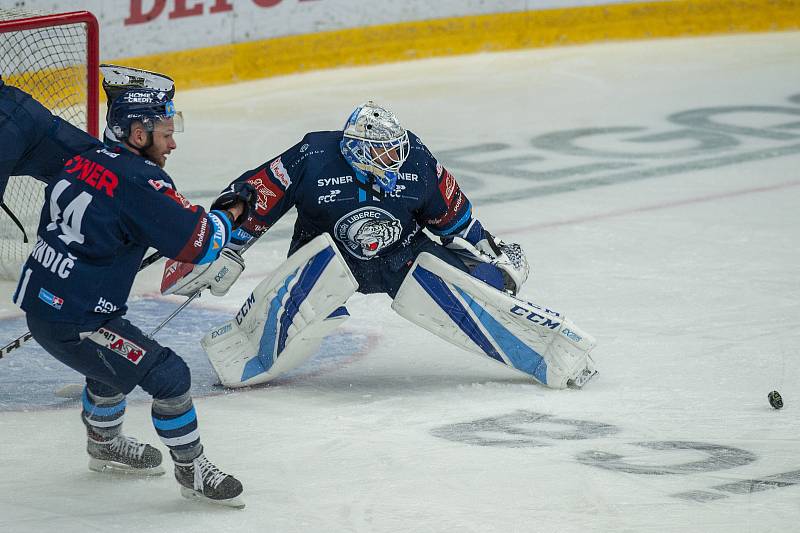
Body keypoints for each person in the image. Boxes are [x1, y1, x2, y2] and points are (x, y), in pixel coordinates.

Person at [192, 102, 594, 390]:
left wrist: (490, 257)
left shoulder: (416, 160)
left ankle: (554, 357)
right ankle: (239, 352)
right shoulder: (312, 156)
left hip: (400, 256)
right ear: (355, 150)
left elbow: (455, 220)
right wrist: (225, 248)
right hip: (324, 258)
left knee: (478, 293)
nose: (393, 159)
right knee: (281, 331)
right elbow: (256, 197)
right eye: (382, 151)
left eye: (394, 149)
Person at [13, 88, 254, 508]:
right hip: (79, 320)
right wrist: (230, 212)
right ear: (138, 135)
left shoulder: (83, 155)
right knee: (170, 376)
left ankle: (104, 442)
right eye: (164, 133)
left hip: (47, 304)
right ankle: (192, 469)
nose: (173, 142)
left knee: (110, 365)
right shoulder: (143, 181)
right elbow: (199, 243)